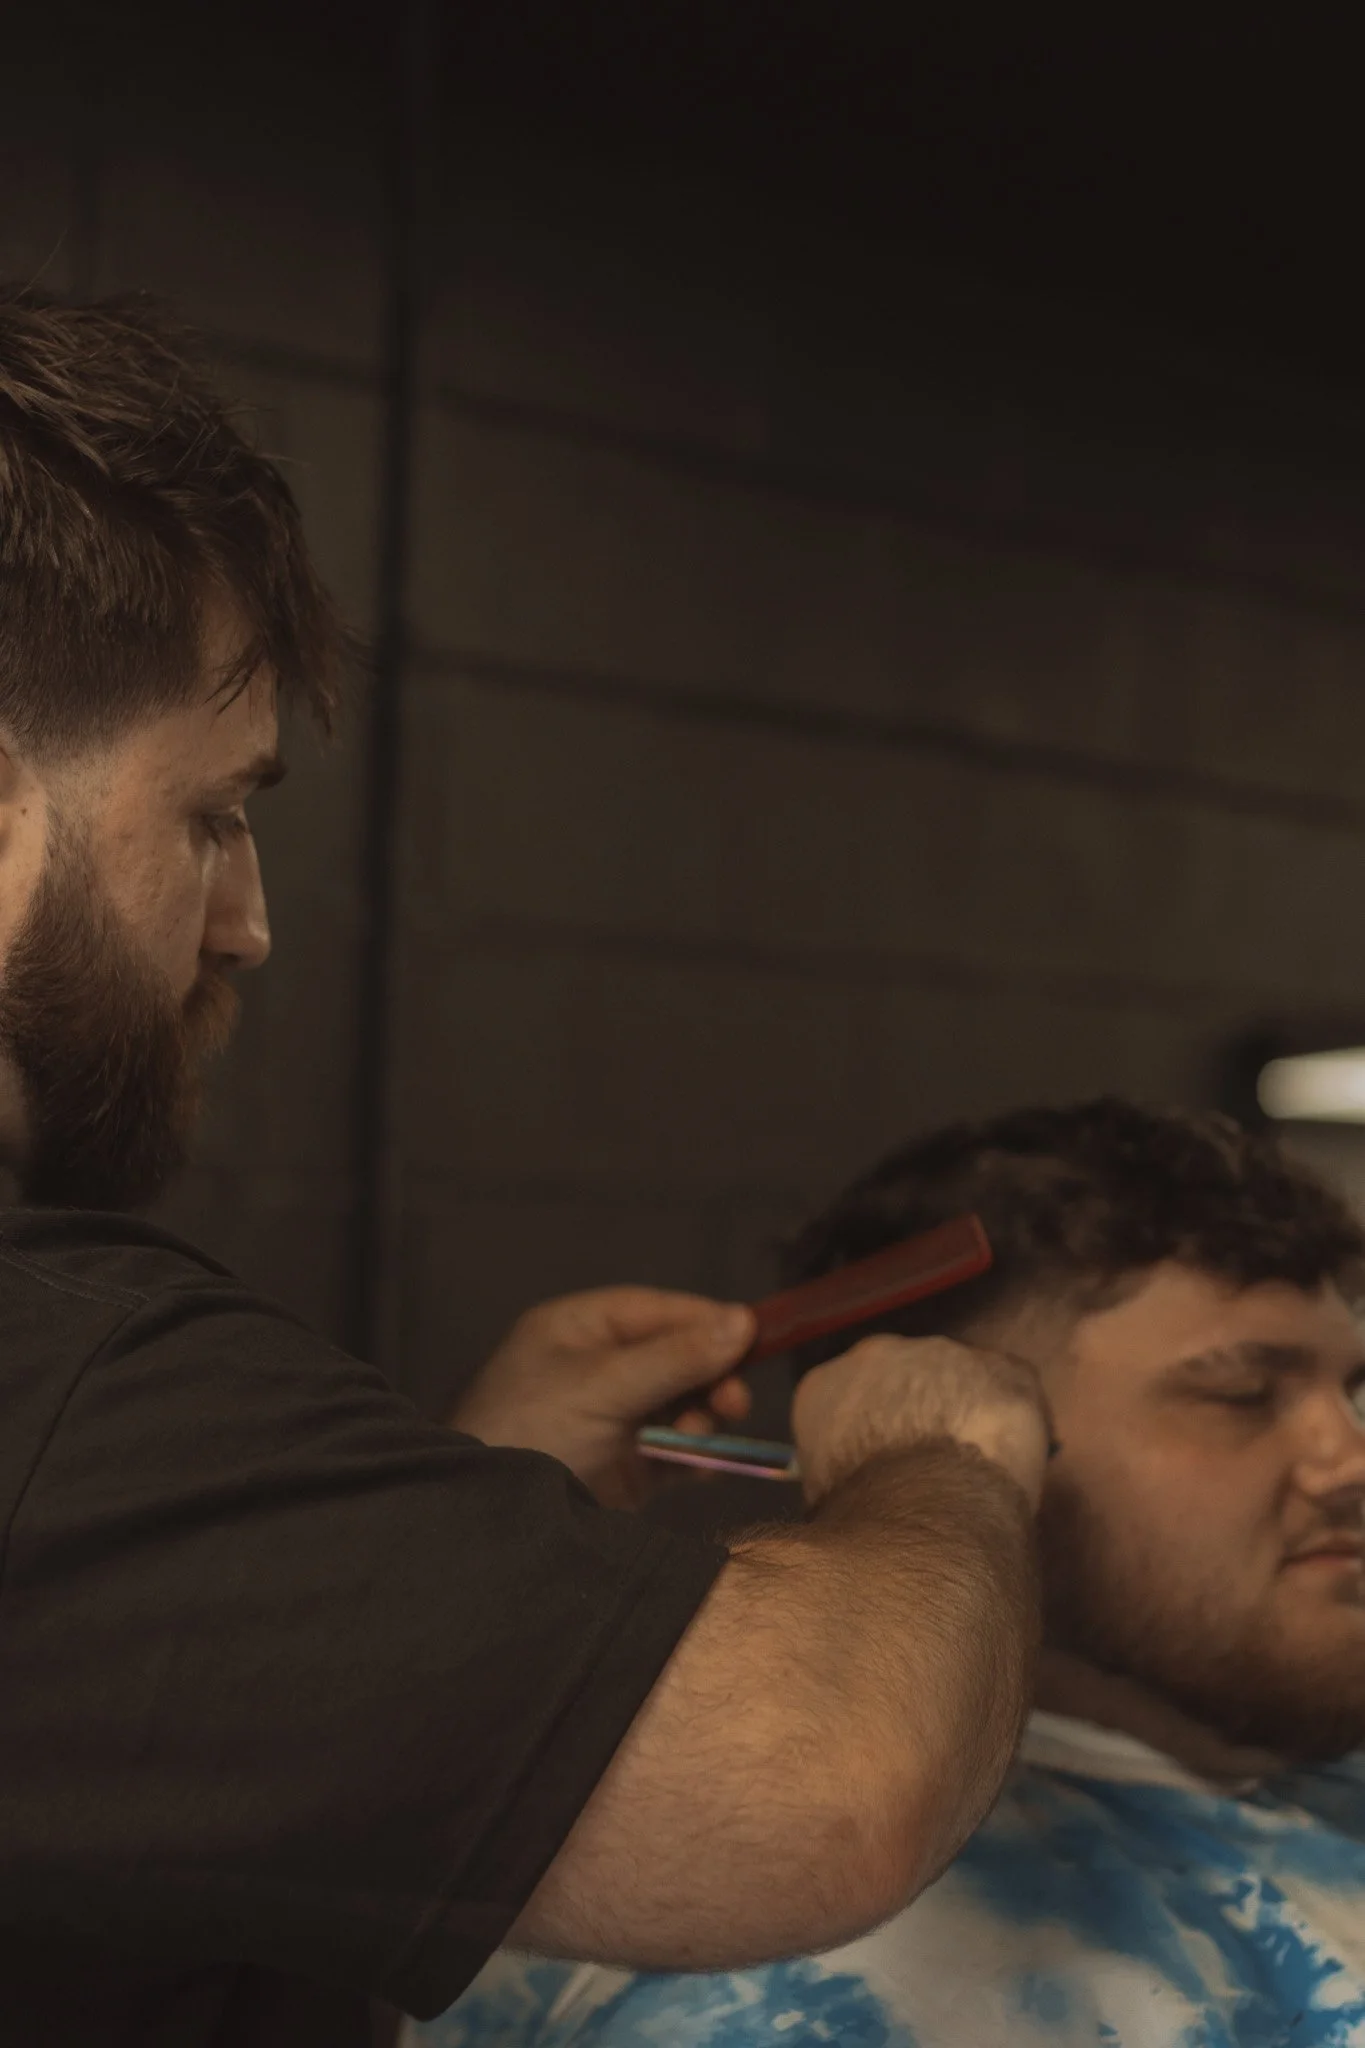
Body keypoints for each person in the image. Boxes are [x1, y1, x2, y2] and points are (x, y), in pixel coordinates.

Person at [0, 285, 1050, 2048]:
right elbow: (821, 1776)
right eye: (213, 812)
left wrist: (468, 1502)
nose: (248, 924)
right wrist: (948, 1468)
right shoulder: (51, 1377)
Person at [423, 1098, 1365, 2048]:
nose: (1351, 1457)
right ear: (983, 1436)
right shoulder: (783, 1994)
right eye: (1241, 1394)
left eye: (1355, 1392)